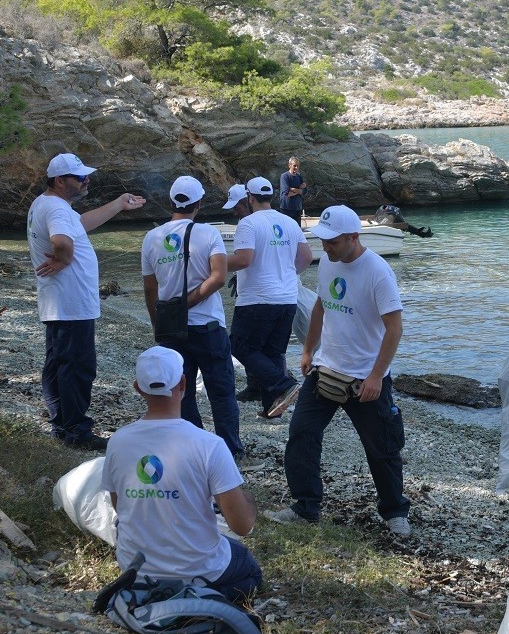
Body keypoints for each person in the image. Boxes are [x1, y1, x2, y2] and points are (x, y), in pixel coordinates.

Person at [267, 206, 410, 537]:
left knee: (382, 448)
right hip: (325, 370)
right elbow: (321, 306)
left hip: (366, 379)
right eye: (323, 240)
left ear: (353, 238)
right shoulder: (329, 263)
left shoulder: (378, 272)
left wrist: (377, 375)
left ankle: (394, 511)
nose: (325, 248)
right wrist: (308, 349)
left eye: (332, 242)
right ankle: (305, 506)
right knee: (302, 434)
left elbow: (394, 329)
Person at [101, 346, 262, 601]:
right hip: (197, 568)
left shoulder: (118, 442)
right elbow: (241, 526)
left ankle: (162, 593)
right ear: (184, 383)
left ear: (137, 388)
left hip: (137, 570)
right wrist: (249, 502)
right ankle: (193, 596)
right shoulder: (209, 445)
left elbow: (120, 507)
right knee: (249, 568)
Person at [28, 153, 147, 451]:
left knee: (58, 363)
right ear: (60, 181)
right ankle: (77, 430)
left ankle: (62, 423)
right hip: (70, 303)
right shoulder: (56, 208)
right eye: (80, 177)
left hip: (61, 302)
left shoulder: (50, 205)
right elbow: (62, 241)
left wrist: (119, 204)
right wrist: (63, 259)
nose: (86, 181)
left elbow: (79, 224)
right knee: (77, 366)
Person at [142, 176, 242, 460]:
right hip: (207, 327)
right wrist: (190, 302)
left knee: (180, 392)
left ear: (171, 202)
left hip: (171, 331)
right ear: (199, 203)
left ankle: (191, 448)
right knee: (221, 392)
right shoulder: (208, 234)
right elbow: (219, 278)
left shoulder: (152, 238)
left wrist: (157, 324)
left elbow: (150, 289)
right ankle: (229, 452)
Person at [227, 177, 310, 421]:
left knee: (240, 346)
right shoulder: (289, 222)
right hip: (286, 298)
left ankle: (283, 384)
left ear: (249, 198)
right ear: (271, 196)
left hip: (256, 298)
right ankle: (271, 408)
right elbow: (305, 257)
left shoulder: (248, 223)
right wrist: (283, 273)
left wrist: (213, 264)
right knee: (273, 352)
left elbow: (243, 259)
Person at [277, 157, 307, 225]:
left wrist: (292, 189)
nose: (296, 168)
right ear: (289, 165)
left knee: (297, 229)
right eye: (294, 166)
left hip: (297, 208)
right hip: (286, 208)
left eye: (298, 166)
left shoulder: (299, 176)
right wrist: (299, 190)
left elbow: (304, 191)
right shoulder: (284, 176)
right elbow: (287, 193)